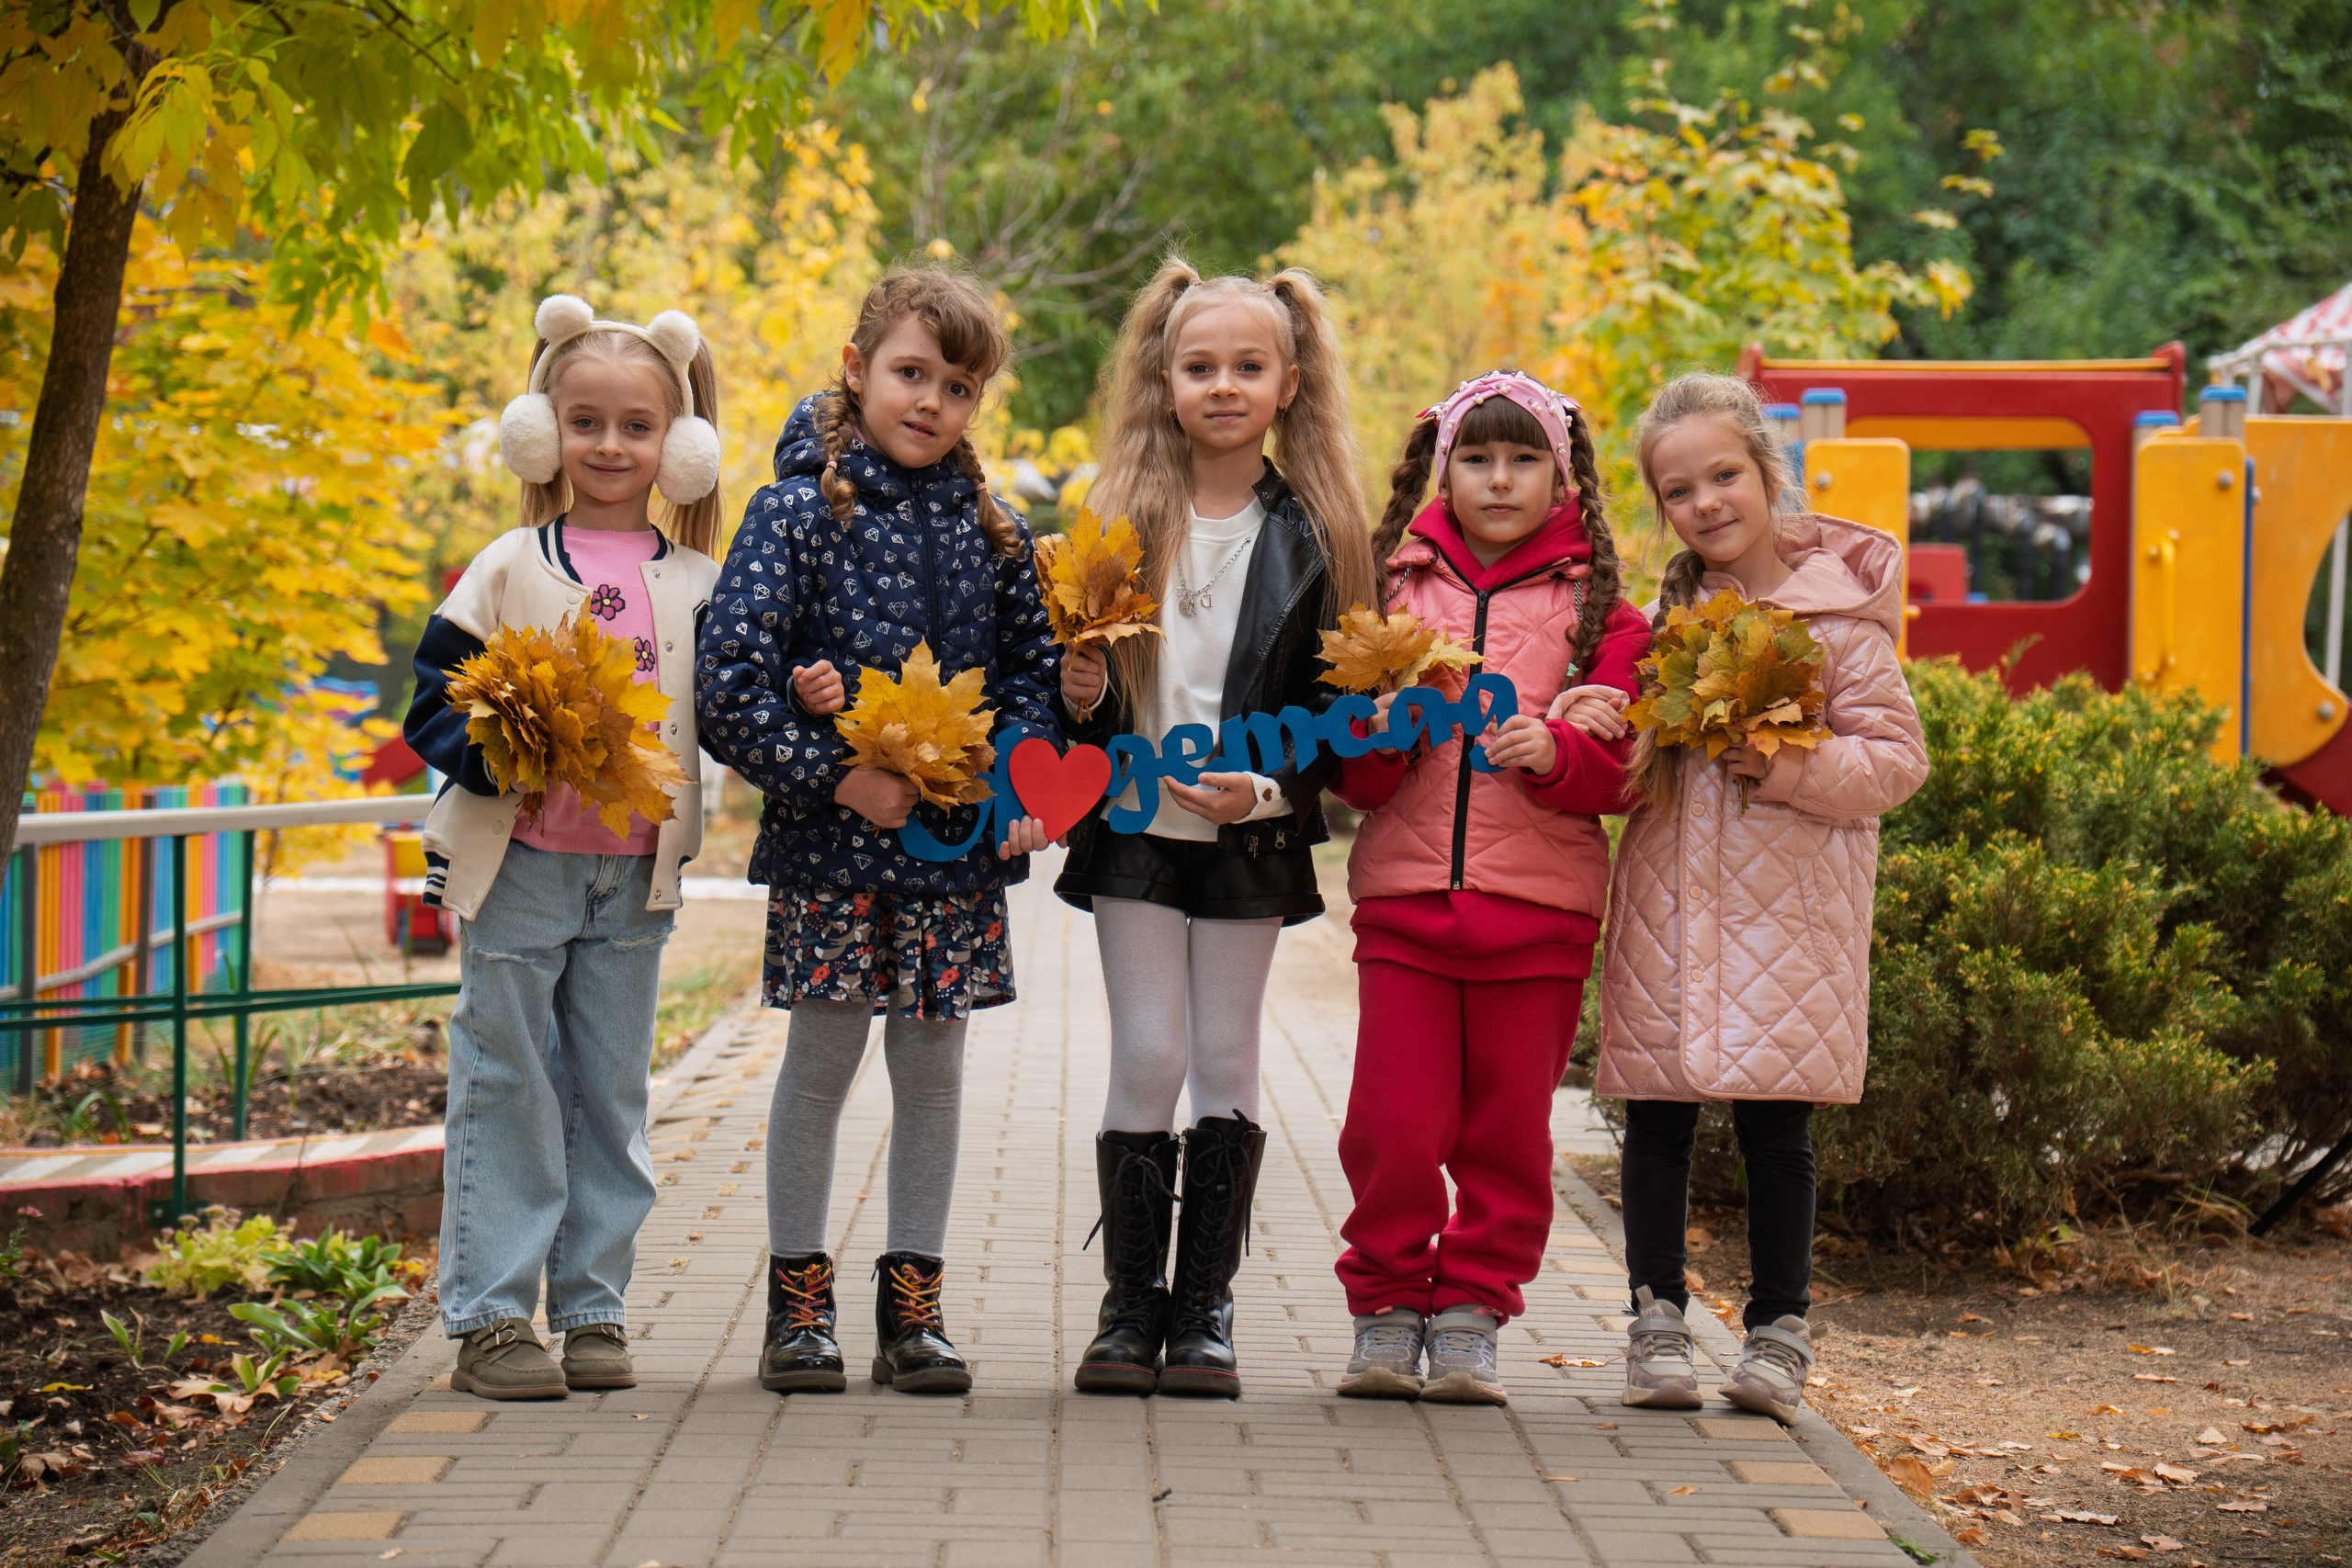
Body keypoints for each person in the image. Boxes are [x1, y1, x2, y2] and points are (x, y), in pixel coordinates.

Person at [696, 266, 1058, 1397]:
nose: (931, 402)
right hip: (834, 849)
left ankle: (916, 1311)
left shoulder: (997, 534)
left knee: (934, 1067)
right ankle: (797, 1310)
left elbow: (1037, 682)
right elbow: (730, 685)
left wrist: (1016, 791)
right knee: (820, 1060)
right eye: (911, 373)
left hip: (950, 858)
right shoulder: (794, 514)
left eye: (957, 386)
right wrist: (832, 780)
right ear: (857, 371)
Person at [1055, 259, 1376, 1399]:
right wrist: (1081, 693)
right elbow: (1062, 707)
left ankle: (1205, 1311)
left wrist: (1273, 794)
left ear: (1289, 382)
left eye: (1249, 366)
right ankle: (1127, 1309)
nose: (1224, 385)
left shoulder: (1323, 531)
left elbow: (1342, 711)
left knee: (1227, 1059)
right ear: (1165, 377)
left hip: (1250, 839)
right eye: (1201, 366)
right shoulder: (1115, 520)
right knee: (1148, 1052)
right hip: (1135, 836)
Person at [404, 295, 725, 1400]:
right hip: (524, 866)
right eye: (583, 421)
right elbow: (433, 702)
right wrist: (500, 758)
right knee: (507, 1082)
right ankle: (492, 1318)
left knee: (609, 1091)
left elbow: (723, 713)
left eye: (636, 426)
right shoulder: (508, 564)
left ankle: (592, 1308)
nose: (608, 446)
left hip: (635, 875)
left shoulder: (696, 583)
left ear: (678, 447)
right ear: (543, 430)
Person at [1600, 370, 1928, 1424]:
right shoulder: (1660, 621)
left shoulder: (1837, 622)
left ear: (1764, 471)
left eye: (1723, 476)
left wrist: (1782, 764)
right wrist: (1599, 720)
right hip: (1669, 904)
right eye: (1679, 490)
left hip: (1790, 912)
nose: (1706, 503)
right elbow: (1625, 763)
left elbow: (1895, 762)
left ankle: (1778, 1334)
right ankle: (1656, 1321)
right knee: (1653, 1120)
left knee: (1774, 1129)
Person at [1324, 372, 1651, 1405]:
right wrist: (1382, 733)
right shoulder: (1390, 597)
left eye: (1521, 460)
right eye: (1477, 458)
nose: (1498, 479)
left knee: (1508, 1133)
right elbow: (1350, 772)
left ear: (1561, 476)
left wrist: (1552, 751)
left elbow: (1624, 773)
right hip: (1408, 907)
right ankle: (1384, 1308)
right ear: (1442, 468)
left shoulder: (1604, 613)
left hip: (1540, 915)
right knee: (1392, 1125)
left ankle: (1470, 1311)